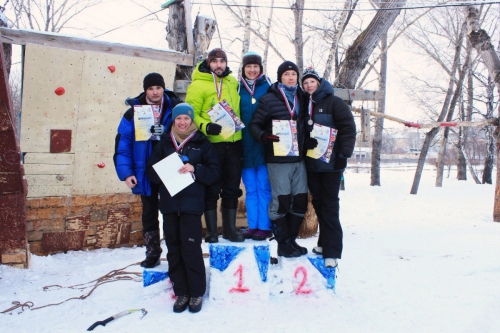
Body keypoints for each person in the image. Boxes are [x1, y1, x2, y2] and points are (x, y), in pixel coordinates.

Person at [147, 103, 220, 313]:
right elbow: (151, 173)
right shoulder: (164, 143)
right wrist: (165, 169)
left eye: (186, 119)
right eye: (178, 119)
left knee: (191, 249)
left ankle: (196, 292)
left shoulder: (202, 143)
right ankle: (182, 292)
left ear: (192, 120)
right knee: (173, 249)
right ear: (174, 120)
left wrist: (195, 168)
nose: (182, 122)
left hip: (191, 206)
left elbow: (214, 172)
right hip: (169, 206)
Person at [114, 73, 182, 268]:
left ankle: (175, 252)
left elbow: (188, 132)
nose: (154, 92)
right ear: (146, 90)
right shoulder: (133, 113)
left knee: (173, 211)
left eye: (158, 88)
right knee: (149, 212)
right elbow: (123, 144)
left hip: (169, 167)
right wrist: (127, 173)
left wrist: (169, 133)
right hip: (145, 169)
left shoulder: (175, 108)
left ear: (163, 89)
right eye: (151, 88)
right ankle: (152, 252)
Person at [249, 61, 311, 258]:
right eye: (286, 74)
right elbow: (254, 125)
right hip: (278, 159)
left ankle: (291, 240)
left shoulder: (304, 97)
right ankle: (283, 243)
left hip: (299, 158)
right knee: (282, 200)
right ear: (280, 77)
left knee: (300, 200)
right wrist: (264, 136)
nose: (291, 77)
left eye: (294, 74)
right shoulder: (269, 99)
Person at [185, 48, 244, 243]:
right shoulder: (198, 84)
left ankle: (229, 230)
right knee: (211, 187)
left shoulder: (232, 82)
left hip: (234, 143)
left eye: (222, 61)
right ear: (208, 63)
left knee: (232, 188)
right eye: (214, 61)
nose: (218, 65)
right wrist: (205, 126)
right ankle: (211, 232)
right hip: (212, 145)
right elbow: (190, 114)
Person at [301, 68, 356, 268]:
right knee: (318, 204)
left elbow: (348, 128)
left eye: (312, 82)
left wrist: (343, 155)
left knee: (330, 206)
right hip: (312, 164)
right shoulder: (304, 104)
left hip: (332, 165)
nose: (309, 86)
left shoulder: (335, 103)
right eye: (305, 83)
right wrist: (304, 143)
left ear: (319, 82)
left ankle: (332, 252)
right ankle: (323, 243)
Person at [238, 51, 273, 241]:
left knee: (264, 187)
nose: (252, 70)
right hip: (244, 145)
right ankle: (253, 226)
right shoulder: (237, 89)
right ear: (243, 69)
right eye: (248, 66)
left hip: (263, 144)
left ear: (260, 68)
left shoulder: (268, 87)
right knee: (250, 188)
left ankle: (265, 226)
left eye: (255, 66)